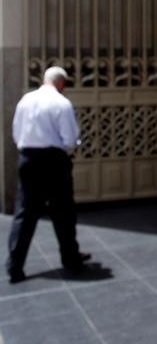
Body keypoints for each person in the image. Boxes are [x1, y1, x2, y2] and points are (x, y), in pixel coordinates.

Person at [6, 66, 90, 283]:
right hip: (53, 161)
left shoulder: (25, 100)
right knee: (62, 212)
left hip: (28, 159)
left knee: (24, 213)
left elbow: (16, 133)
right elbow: (70, 138)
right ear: (61, 83)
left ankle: (15, 265)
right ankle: (70, 259)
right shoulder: (62, 104)